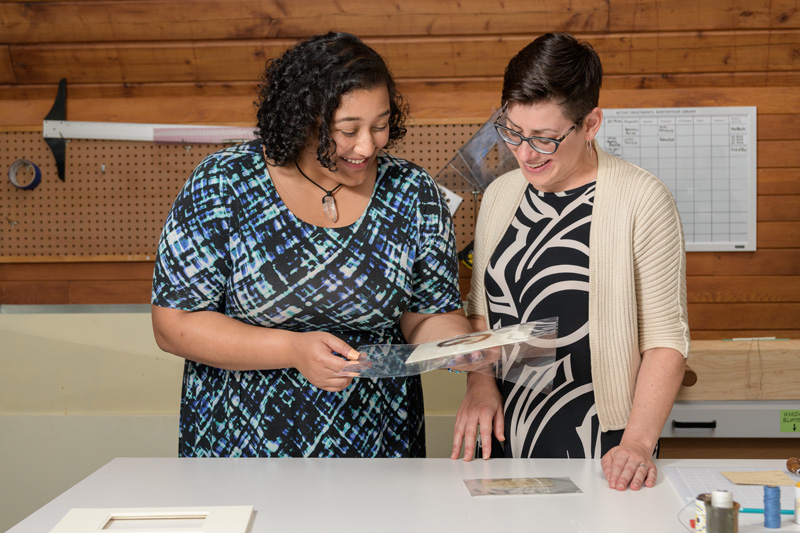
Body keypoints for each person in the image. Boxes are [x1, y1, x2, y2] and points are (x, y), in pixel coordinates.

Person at [151, 32, 472, 458]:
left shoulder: (411, 193)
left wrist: (457, 346)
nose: (368, 146)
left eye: (380, 125)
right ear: (303, 121)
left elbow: (427, 315)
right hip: (238, 448)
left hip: (379, 448)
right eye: (347, 130)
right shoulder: (224, 183)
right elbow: (174, 326)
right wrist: (291, 349)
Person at [450, 32, 690, 491]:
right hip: (504, 425)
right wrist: (479, 385)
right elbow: (480, 311)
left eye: (543, 139)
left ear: (591, 123)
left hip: (604, 440)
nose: (523, 154)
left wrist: (638, 443)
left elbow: (666, 341)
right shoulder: (501, 195)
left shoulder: (642, 199)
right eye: (512, 132)